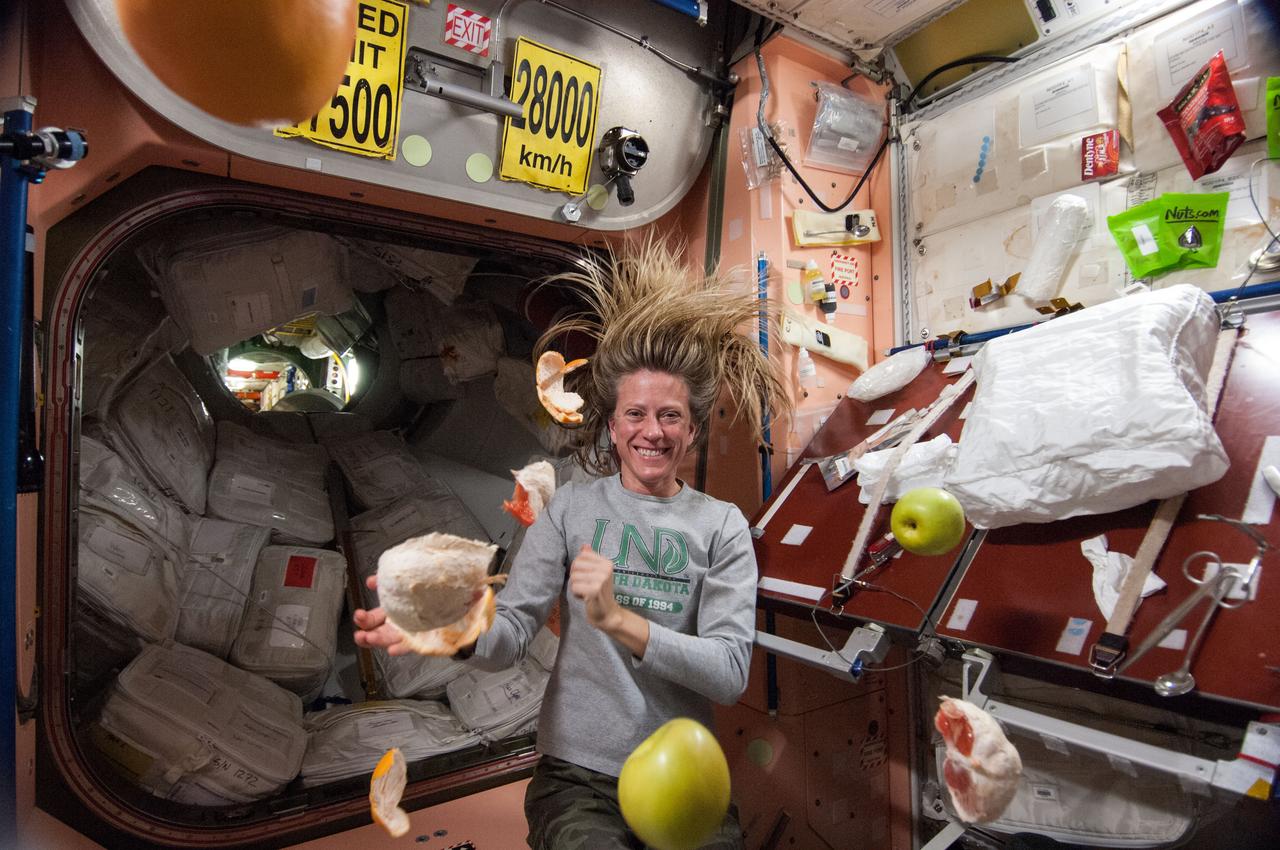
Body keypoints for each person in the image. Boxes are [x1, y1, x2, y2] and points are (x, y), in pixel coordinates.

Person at [354, 239, 786, 849]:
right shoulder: (573, 509)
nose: (651, 431)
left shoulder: (722, 526)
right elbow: (511, 636)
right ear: (613, 424)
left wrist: (618, 620)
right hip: (577, 780)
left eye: (670, 416)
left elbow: (729, 672)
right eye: (636, 414)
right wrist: (457, 628)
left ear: (692, 431)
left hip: (688, 775)